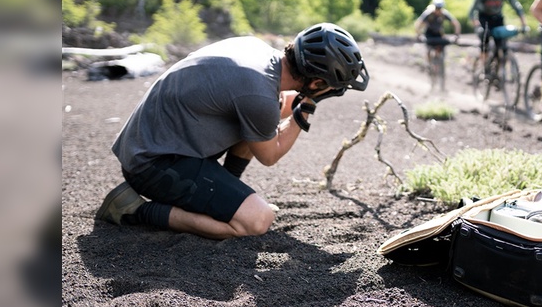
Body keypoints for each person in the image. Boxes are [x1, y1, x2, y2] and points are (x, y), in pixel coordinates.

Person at [96, 23, 369, 240]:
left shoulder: (256, 53)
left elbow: (272, 108)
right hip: (151, 166)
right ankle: (134, 210)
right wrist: (308, 106)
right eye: (333, 86)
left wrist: (301, 103)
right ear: (318, 81)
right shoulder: (259, 95)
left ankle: (222, 192)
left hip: (150, 143)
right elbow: (270, 154)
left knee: (260, 121)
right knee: (255, 221)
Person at [468, 0, 529, 67]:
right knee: (485, 41)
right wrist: (476, 24)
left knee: (501, 43)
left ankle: (499, 68)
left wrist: (524, 24)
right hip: (484, 18)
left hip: (497, 18)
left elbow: (516, 7)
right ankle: (484, 67)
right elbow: (472, 11)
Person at [414, 0, 461, 91]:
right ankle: (429, 65)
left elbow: (455, 23)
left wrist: (456, 35)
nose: (438, 10)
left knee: (441, 55)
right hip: (429, 35)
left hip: (439, 35)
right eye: (437, 8)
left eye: (440, 8)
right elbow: (418, 23)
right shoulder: (428, 13)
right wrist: (418, 35)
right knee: (428, 51)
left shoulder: (444, 14)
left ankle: (442, 82)